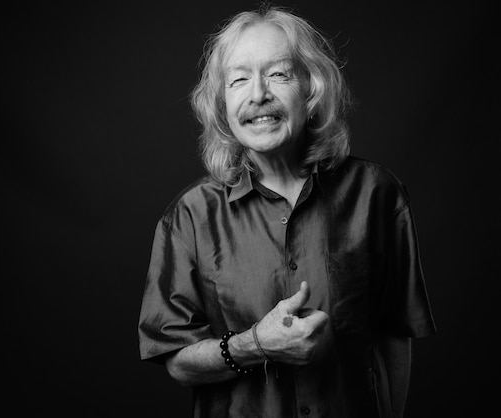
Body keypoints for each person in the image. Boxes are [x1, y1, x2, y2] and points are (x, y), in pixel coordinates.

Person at [138, 5, 435, 418]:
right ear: (222, 104)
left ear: (311, 91)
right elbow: (176, 361)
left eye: (278, 74)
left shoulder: (377, 195)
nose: (258, 94)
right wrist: (254, 344)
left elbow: (394, 337)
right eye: (239, 80)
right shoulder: (188, 217)